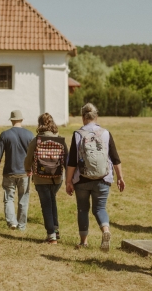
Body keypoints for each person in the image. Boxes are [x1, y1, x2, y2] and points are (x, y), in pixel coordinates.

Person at [66, 103, 126, 251]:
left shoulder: (78, 134)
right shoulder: (105, 133)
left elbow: (72, 161)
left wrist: (68, 181)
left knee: (82, 209)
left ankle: (84, 242)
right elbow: (115, 158)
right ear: (96, 116)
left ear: (83, 117)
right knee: (100, 208)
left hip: (82, 179)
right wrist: (120, 177)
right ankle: (105, 230)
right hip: (103, 178)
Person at [24, 113, 68, 244]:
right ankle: (55, 229)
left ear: (40, 124)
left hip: (41, 178)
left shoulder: (37, 140)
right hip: (57, 178)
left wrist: (27, 169)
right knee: (52, 200)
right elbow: (67, 158)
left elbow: (28, 158)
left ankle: (51, 236)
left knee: (46, 205)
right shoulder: (60, 139)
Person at [0, 110, 34, 231]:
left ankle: (11, 222)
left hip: (9, 172)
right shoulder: (30, 135)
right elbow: (34, 155)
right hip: (25, 172)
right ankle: (22, 226)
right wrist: (34, 171)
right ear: (22, 119)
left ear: (11, 120)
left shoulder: (5, 135)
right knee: (23, 199)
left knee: (9, 198)